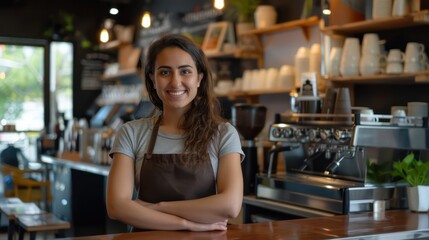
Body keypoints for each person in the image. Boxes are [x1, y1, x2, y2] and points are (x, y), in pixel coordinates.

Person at [106, 34, 245, 232]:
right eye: (164, 73)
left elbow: (229, 206)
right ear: (153, 79)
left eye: (185, 71)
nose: (175, 82)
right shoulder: (131, 133)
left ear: (199, 78)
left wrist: (158, 207)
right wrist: (187, 224)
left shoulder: (223, 133)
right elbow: (117, 207)